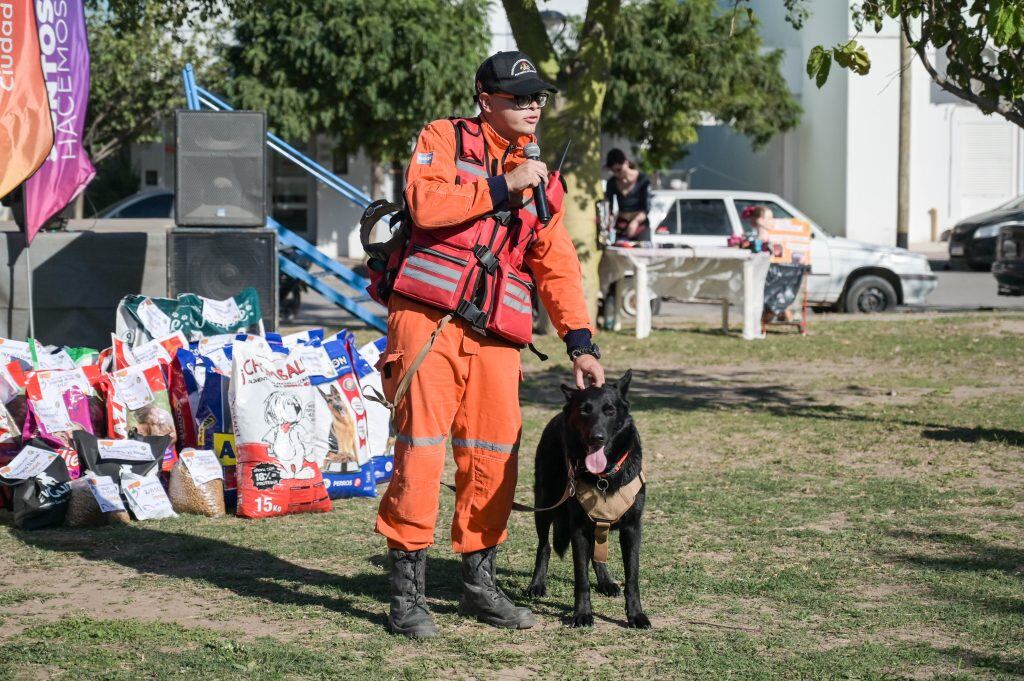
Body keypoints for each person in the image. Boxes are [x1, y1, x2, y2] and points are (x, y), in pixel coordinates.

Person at [375, 51, 605, 638]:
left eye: (538, 98)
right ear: (486, 100)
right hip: (429, 321)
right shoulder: (443, 138)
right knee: (421, 452)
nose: (531, 107)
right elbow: (426, 204)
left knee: (493, 457)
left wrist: (582, 344)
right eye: (518, 97)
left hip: (496, 336)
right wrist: (503, 185)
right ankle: (407, 595)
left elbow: (556, 268)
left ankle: (480, 584)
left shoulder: (543, 180)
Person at [744, 205, 799, 325]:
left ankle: (775, 313)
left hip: (779, 269)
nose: (772, 221)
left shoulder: (776, 234)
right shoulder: (761, 235)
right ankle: (777, 313)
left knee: (780, 286)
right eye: (767, 218)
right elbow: (761, 241)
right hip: (768, 270)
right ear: (759, 220)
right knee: (773, 287)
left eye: (772, 218)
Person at [604, 148, 652, 242]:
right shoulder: (612, 183)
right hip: (621, 225)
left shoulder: (643, 180)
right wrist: (609, 220)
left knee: (641, 254)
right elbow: (609, 206)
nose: (617, 174)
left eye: (619, 169)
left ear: (626, 163)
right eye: (613, 171)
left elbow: (646, 208)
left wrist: (635, 222)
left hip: (640, 225)